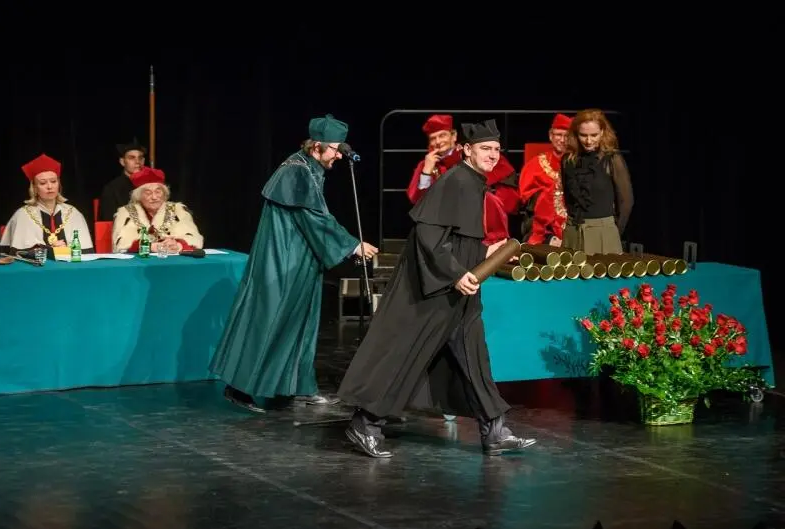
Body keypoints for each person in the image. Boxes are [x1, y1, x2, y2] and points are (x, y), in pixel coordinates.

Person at [337, 119, 537, 458]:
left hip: (461, 288)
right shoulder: (455, 180)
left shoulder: (474, 182)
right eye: (485, 149)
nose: (492, 155)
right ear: (467, 150)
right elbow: (428, 237)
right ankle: (365, 423)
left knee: (474, 357)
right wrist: (456, 273)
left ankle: (494, 430)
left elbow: (459, 238)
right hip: (437, 289)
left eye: (496, 149)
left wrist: (484, 253)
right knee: (406, 351)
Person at [208, 114, 378, 413]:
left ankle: (298, 387)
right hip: (283, 261)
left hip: (301, 259)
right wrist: (352, 245)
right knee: (270, 321)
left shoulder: (309, 168)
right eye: (335, 149)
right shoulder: (296, 172)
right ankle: (239, 388)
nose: (339, 155)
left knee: (300, 325)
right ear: (316, 146)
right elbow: (314, 218)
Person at [406, 114, 521, 245]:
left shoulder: (478, 157)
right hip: (442, 228)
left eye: (442, 135)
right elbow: (419, 203)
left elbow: (508, 198)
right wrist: (426, 172)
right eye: (433, 138)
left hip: (480, 226)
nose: (438, 141)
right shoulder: (427, 165)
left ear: (454, 136)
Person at [561, 109, 633, 254]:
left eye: (594, 135)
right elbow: (568, 200)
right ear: (575, 134)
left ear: (602, 133)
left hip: (604, 233)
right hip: (572, 233)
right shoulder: (567, 160)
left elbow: (626, 202)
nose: (588, 141)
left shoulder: (612, 159)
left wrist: (613, 233)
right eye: (583, 135)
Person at [0, 153, 94, 255]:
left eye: (53, 181)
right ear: (34, 188)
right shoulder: (23, 215)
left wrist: (64, 250)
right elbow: (18, 254)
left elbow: (85, 253)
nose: (49, 187)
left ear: (59, 184)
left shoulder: (73, 213)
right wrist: (50, 251)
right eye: (43, 183)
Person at [112, 166, 204, 253]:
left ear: (164, 194)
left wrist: (178, 245)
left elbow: (194, 239)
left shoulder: (178, 210)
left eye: (158, 192)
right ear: (138, 196)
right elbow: (120, 245)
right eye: (148, 193)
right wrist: (149, 246)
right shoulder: (126, 213)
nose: (154, 197)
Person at [517, 113, 572, 245]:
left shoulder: (579, 164)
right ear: (550, 135)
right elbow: (528, 201)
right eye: (559, 135)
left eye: (567, 136)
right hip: (544, 227)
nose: (562, 140)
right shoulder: (536, 164)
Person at [98, 138, 147, 221]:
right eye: (132, 158)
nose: (137, 162)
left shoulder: (151, 185)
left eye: (140, 158)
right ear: (122, 162)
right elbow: (108, 220)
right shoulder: (111, 189)